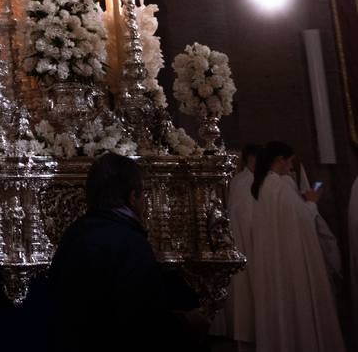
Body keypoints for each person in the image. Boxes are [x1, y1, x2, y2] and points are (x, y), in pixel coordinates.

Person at [48, 152, 207, 351]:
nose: (145, 202)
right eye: (143, 194)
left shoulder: (73, 233)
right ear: (133, 197)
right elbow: (142, 322)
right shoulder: (130, 243)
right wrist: (186, 322)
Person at [248, 140, 344, 351]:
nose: (291, 166)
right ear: (280, 160)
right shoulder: (280, 186)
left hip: (278, 264)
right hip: (293, 264)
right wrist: (311, 202)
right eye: (290, 161)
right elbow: (303, 223)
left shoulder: (266, 186)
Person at [218, 143, 258, 344]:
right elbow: (248, 218)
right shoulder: (245, 183)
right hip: (246, 243)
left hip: (243, 242)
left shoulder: (242, 181)